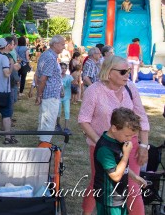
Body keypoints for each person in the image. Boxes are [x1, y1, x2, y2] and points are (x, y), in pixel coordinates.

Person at [78, 55, 150, 215]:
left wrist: (144, 145)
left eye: (129, 71)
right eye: (123, 72)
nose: (128, 75)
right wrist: (102, 143)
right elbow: (83, 120)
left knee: (132, 185)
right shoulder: (94, 91)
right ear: (109, 72)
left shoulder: (130, 88)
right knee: (100, 182)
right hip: (100, 145)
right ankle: (87, 212)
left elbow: (142, 116)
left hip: (129, 145)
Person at [94, 108, 147, 215]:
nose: (129, 139)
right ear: (114, 128)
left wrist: (134, 177)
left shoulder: (119, 140)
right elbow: (116, 176)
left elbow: (121, 166)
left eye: (132, 136)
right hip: (108, 199)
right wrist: (126, 155)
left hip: (119, 196)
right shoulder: (104, 148)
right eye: (127, 135)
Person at [0, 38, 20, 143]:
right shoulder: (3, 58)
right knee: (6, 114)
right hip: (3, 90)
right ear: (5, 46)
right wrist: (11, 66)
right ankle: (7, 137)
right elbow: (6, 74)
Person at [35, 35, 65, 144]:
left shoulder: (47, 55)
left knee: (45, 125)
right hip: (50, 97)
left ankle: (43, 149)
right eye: (62, 44)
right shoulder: (50, 57)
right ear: (55, 44)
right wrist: (39, 95)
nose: (64, 46)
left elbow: (39, 76)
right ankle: (44, 151)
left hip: (50, 96)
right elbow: (42, 79)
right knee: (48, 125)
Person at [56, 63, 73, 135]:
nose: (64, 70)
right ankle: (58, 125)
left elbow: (73, 84)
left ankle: (66, 127)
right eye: (62, 68)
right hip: (58, 97)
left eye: (65, 68)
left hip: (67, 97)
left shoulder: (69, 77)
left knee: (67, 111)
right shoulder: (57, 77)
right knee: (58, 111)